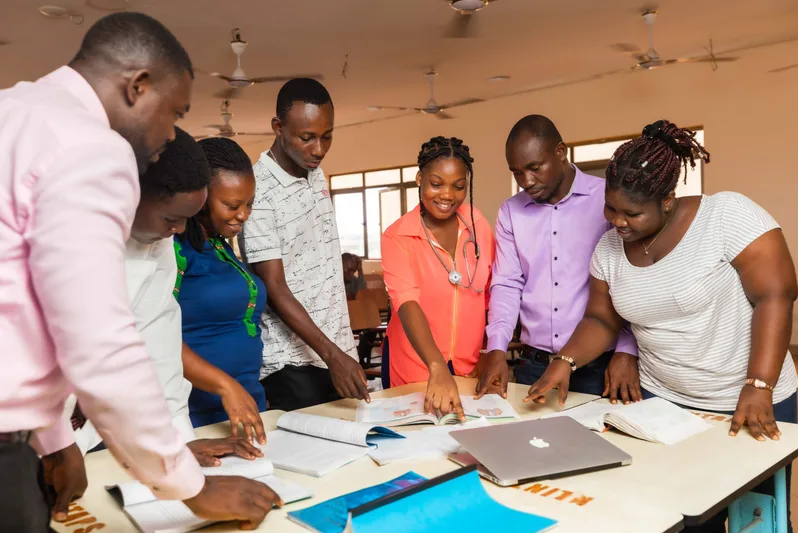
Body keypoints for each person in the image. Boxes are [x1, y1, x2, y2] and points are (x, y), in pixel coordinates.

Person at [0, 12, 278, 532]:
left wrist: (54, 441)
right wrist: (192, 490)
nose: (169, 135)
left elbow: (21, 312)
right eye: (174, 113)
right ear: (138, 86)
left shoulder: (14, 110)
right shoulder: (93, 147)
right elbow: (99, 341)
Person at [524, 120, 798, 533]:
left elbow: (776, 295)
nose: (617, 222)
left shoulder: (725, 215)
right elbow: (601, 318)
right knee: (681, 516)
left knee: (754, 520)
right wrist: (565, 360)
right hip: (666, 404)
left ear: (667, 201)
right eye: (610, 208)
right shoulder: (609, 250)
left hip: (745, 398)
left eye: (631, 213)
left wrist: (758, 384)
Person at [70, 127, 264, 464]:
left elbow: (161, 351)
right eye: (171, 218)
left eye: (185, 219)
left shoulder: (157, 245)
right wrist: (56, 448)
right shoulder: (69, 241)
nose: (176, 231)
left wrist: (181, 445)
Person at [476, 115, 639, 402]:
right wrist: (497, 349)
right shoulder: (511, 211)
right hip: (533, 366)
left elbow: (629, 280)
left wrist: (627, 349)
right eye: (516, 172)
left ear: (560, 152)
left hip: (600, 365)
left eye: (534, 168)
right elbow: (506, 284)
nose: (526, 181)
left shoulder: (607, 199)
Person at [240, 78, 369, 411]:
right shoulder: (259, 191)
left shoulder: (314, 172)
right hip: (292, 365)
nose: (319, 149)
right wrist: (332, 355)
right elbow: (275, 286)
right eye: (307, 138)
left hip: (334, 350)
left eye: (327, 136)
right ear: (278, 127)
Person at [381, 136, 495, 417]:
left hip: (468, 366)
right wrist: (436, 367)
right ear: (419, 178)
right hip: (416, 367)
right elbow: (406, 303)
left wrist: (490, 352)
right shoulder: (398, 236)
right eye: (436, 183)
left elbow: (490, 294)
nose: (447, 195)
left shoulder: (478, 225)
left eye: (459, 186)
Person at [175, 137, 268, 431]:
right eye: (231, 205)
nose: (243, 214)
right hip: (198, 411)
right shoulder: (175, 248)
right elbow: (154, 333)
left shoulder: (218, 242)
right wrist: (225, 385)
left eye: (249, 203)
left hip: (247, 402)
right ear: (200, 195)